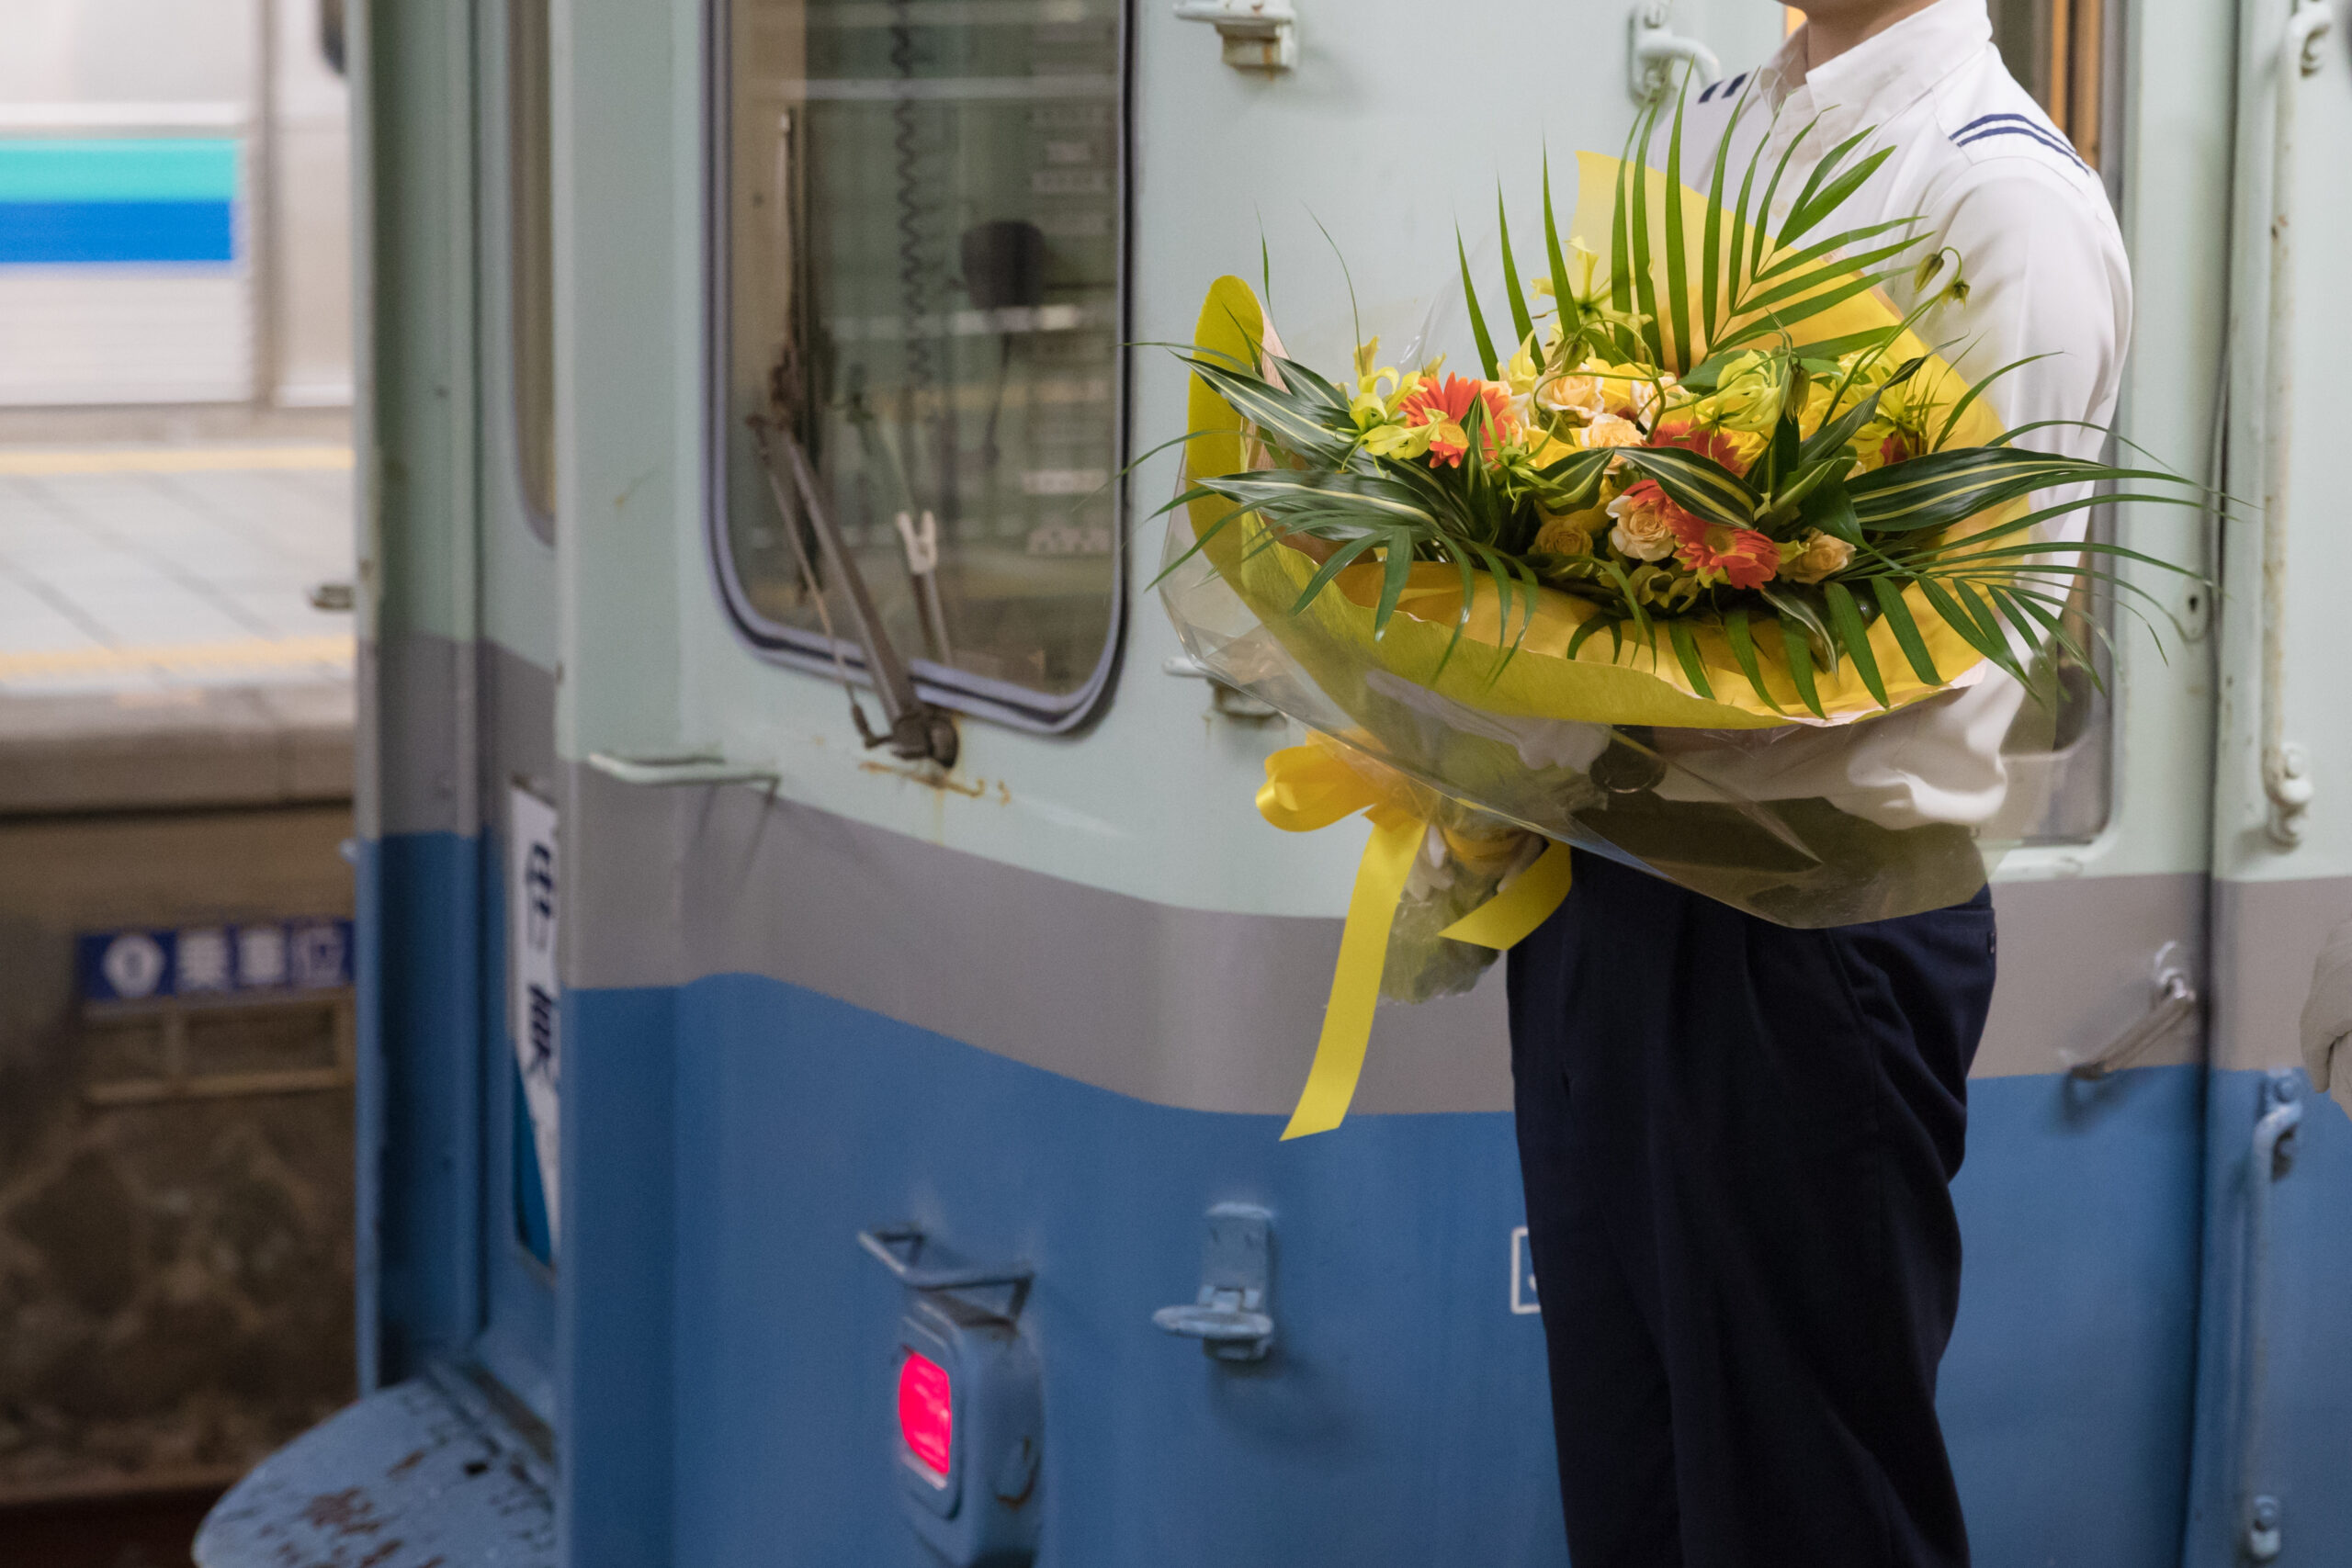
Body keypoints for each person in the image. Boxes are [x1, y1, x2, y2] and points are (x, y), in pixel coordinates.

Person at [1508, 2, 2132, 1565]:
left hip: (1808, 939)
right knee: (1631, 1485)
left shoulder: (2000, 200)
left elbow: (1933, 628)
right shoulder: (1713, 124)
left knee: (1806, 1512)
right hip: (1611, 889)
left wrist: (1591, 646)